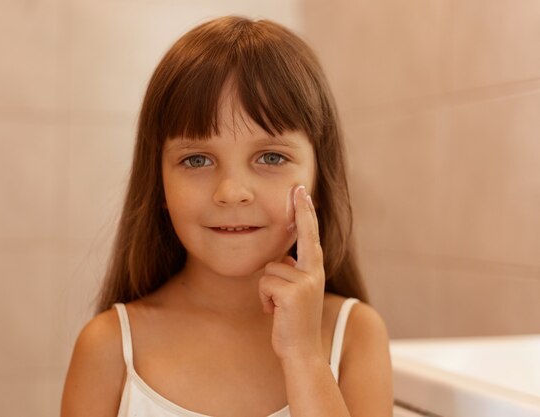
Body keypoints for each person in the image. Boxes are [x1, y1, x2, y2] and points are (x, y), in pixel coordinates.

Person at [61, 15, 393, 417]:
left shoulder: (355, 334)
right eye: (197, 159)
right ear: (159, 183)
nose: (231, 191)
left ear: (320, 179)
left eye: (271, 157)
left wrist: (304, 356)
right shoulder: (109, 347)